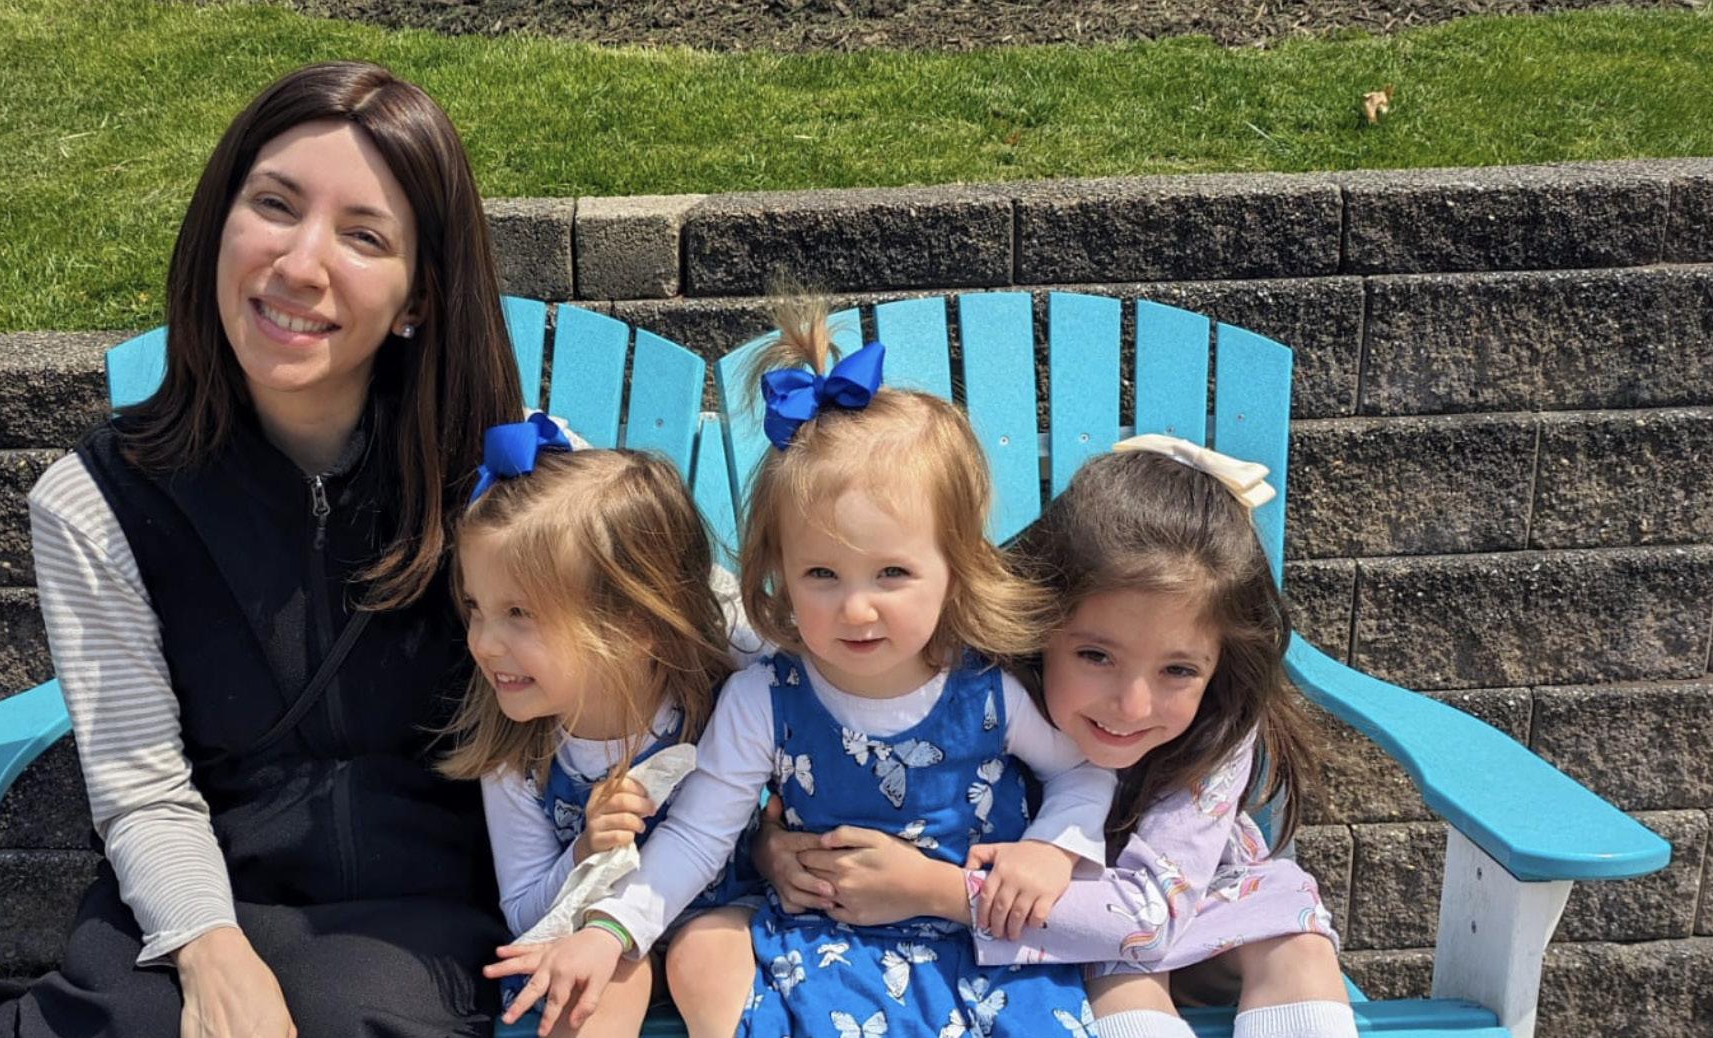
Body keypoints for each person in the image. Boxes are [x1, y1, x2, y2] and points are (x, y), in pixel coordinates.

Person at [0, 60, 525, 1038]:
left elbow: (663, 636)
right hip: (186, 901)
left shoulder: (503, 487)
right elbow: (144, 790)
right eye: (274, 205)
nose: (299, 263)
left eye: (363, 235)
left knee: (355, 1018)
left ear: (417, 298)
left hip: (424, 914)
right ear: (220, 226)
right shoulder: (101, 502)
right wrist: (209, 950)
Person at [490, 299, 1117, 1038]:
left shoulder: (986, 692)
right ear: (778, 572)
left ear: (957, 567)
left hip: (980, 943)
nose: (856, 609)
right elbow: (695, 836)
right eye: (821, 574)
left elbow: (1083, 770)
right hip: (827, 945)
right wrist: (609, 930)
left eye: (891, 573)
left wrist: (1049, 849)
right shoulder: (764, 698)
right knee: (729, 970)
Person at [758, 437, 1353, 1038]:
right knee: (1122, 973)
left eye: (1178, 670)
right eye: (1096, 655)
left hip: (1164, 907)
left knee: (1296, 939)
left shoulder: (1218, 726)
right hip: (1045, 931)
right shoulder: (979, 689)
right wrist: (774, 849)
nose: (1132, 706)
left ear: (1220, 665)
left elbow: (1150, 917)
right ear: (1040, 624)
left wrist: (938, 891)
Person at [443, 420, 765, 1038]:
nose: (483, 642)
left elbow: (809, 659)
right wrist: (585, 849)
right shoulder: (515, 752)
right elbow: (524, 912)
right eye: (476, 608)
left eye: (518, 613)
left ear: (635, 624)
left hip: (722, 912)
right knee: (593, 987)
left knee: (705, 958)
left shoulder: (718, 686)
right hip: (585, 939)